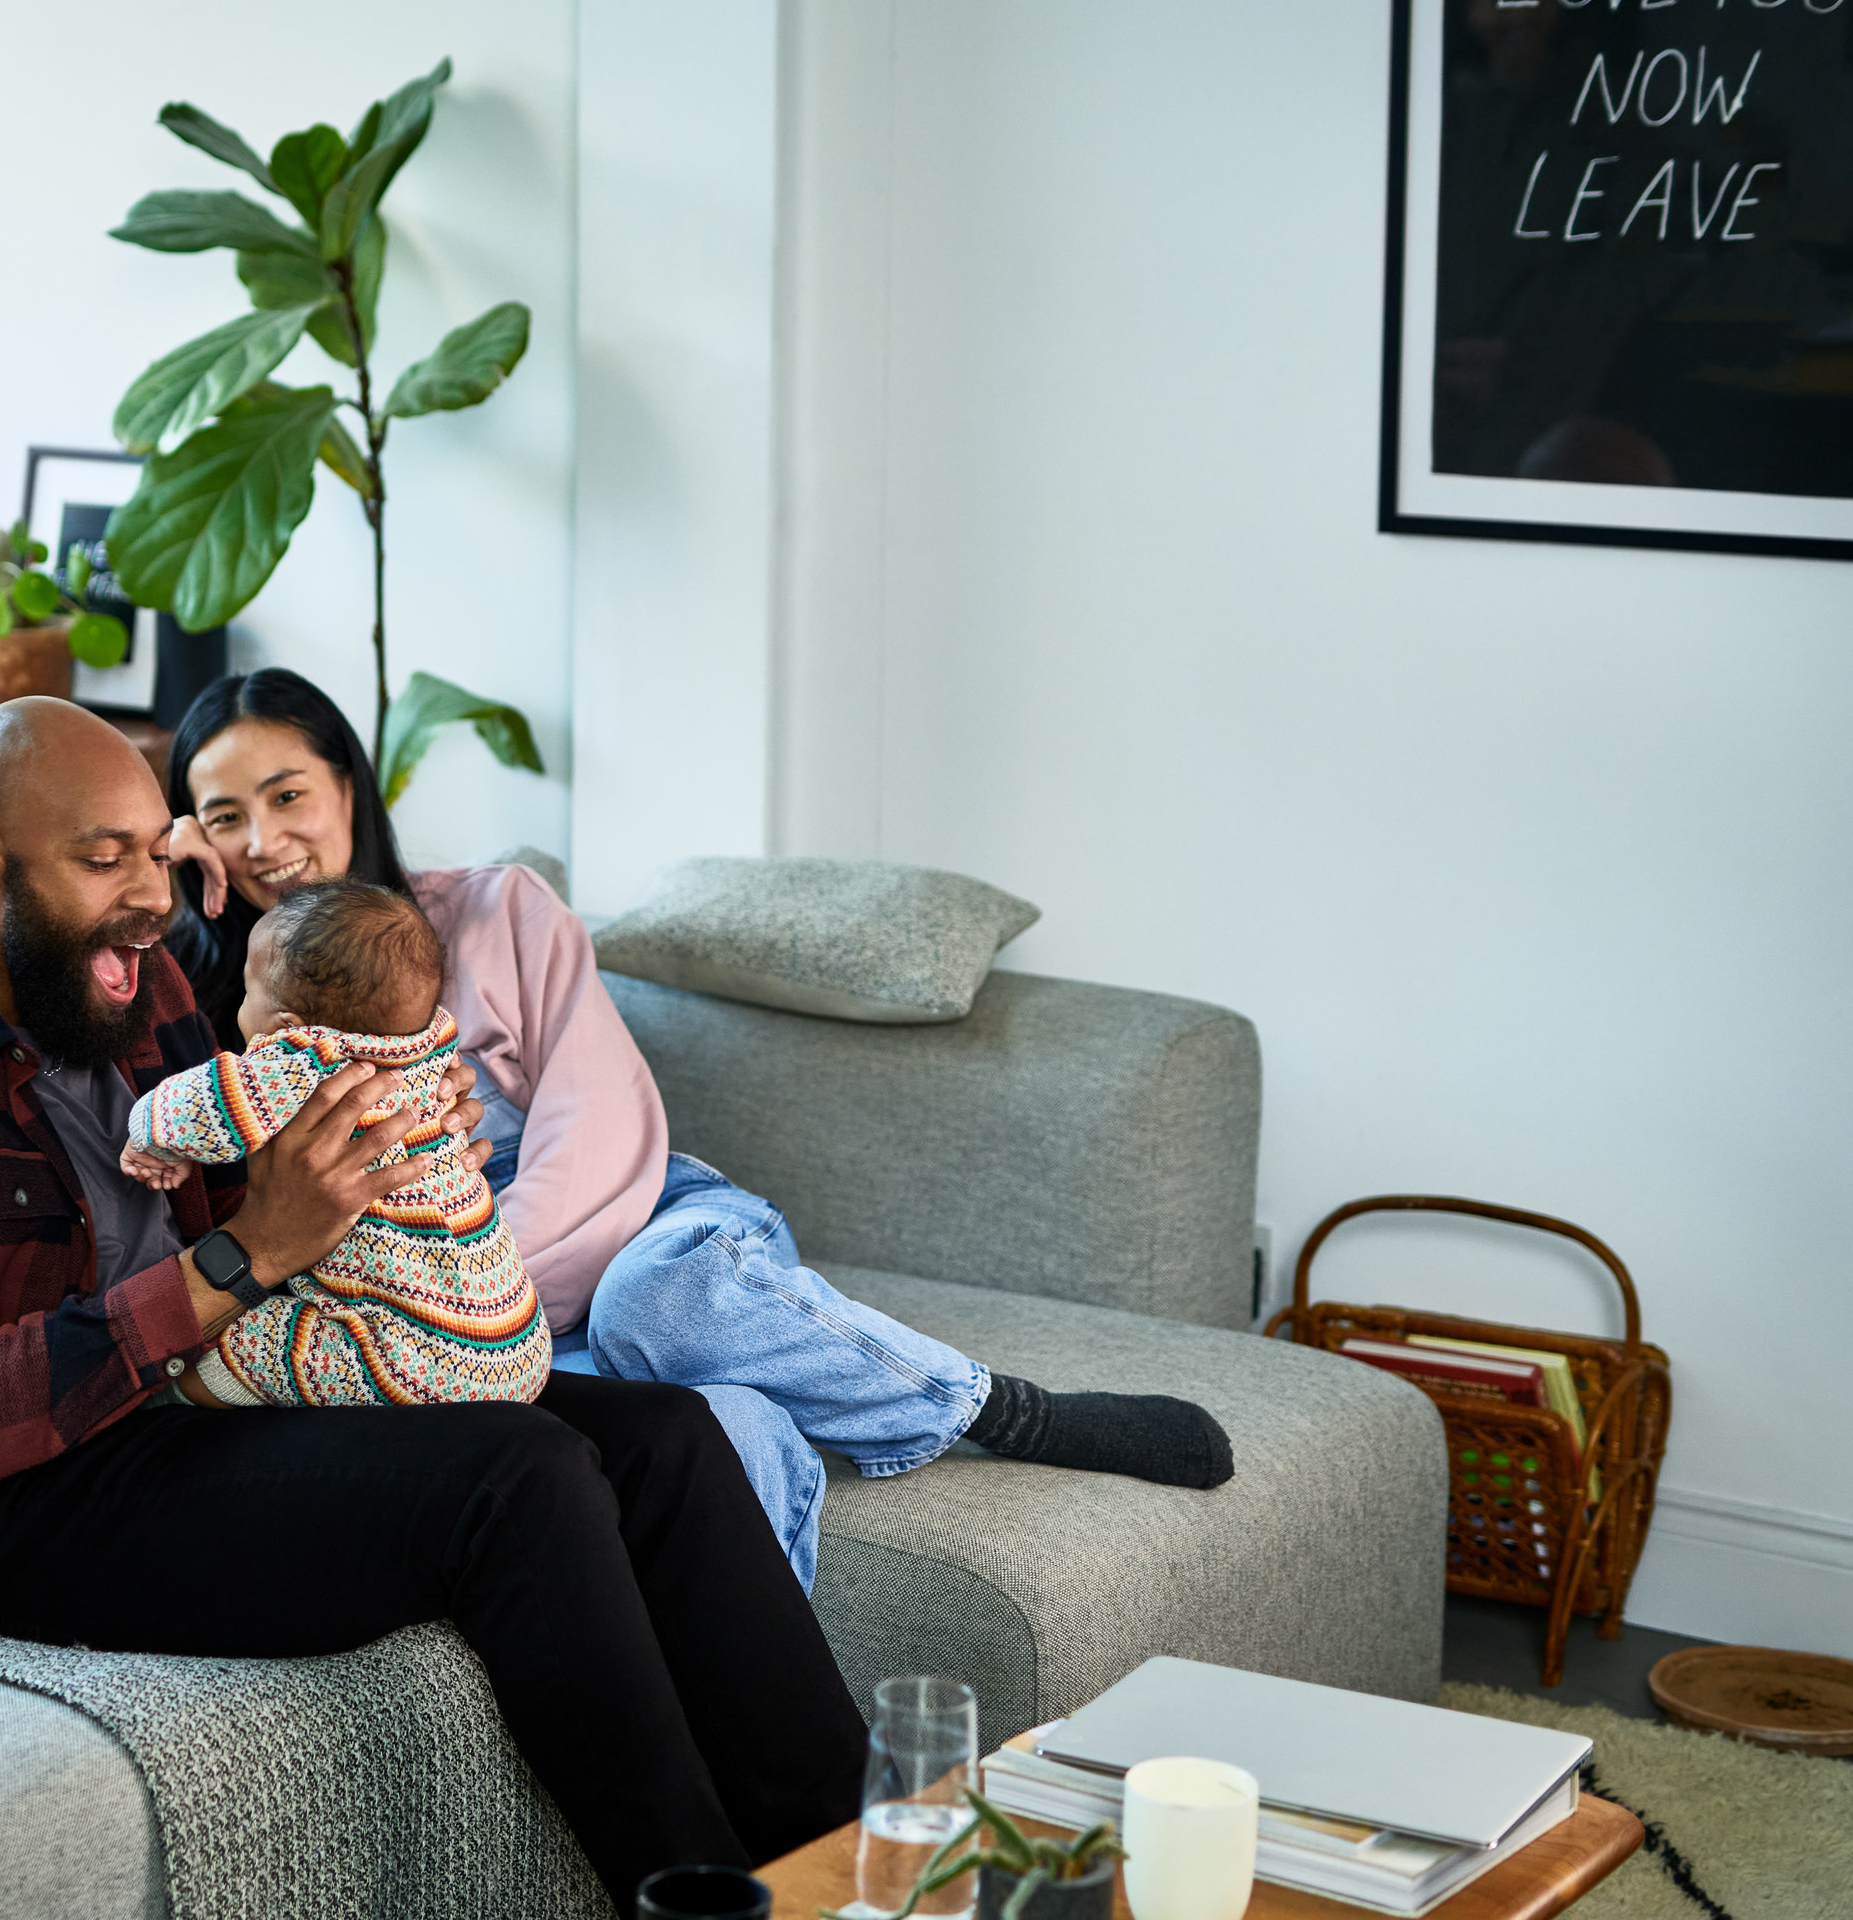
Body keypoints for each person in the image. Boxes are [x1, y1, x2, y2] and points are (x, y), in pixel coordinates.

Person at [0, 696, 861, 1913]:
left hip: (191, 1399)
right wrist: (246, 1256)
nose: (150, 896)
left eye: (156, 851)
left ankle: (863, 1873)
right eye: (105, 861)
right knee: (515, 1475)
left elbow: (262, 1109)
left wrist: (390, 1144)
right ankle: (698, 1901)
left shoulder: (126, 982)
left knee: (667, 1436)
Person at [164, 670, 1235, 1592]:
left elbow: (602, 1122)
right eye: (220, 817)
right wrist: (168, 908)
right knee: (724, 1432)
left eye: (287, 792)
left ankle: (1005, 1409)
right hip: (477, 1331)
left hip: (630, 1229)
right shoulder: (226, 1023)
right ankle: (769, 1782)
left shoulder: (496, 909)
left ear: (348, 780)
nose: (263, 840)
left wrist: (472, 1304)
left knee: (655, 1300)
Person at [122, 876, 549, 1409]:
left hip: (412, 1363)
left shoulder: (309, 1059)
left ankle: (174, 1401)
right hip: (518, 1341)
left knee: (260, 1337)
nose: (240, 1003)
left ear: (289, 1024)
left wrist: (150, 1137)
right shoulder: (433, 1046)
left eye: (248, 989)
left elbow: (203, 1107)